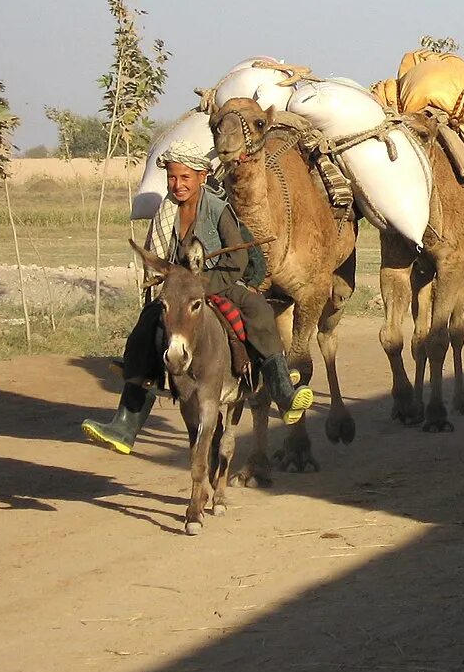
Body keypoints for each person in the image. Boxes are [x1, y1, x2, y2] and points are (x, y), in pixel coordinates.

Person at [81, 142, 313, 454]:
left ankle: (282, 388)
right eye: (172, 178)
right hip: (178, 286)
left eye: (185, 178)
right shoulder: (167, 212)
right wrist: (176, 283)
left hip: (218, 281)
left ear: (202, 177)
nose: (178, 185)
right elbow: (162, 258)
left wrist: (203, 285)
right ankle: (126, 423)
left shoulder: (218, 209)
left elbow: (238, 263)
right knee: (148, 321)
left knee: (258, 310)